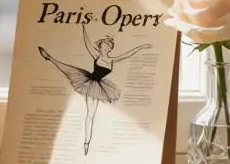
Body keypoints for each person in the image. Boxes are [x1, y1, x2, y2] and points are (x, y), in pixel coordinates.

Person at [38, 23, 152, 155]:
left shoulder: (112, 59)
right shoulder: (97, 56)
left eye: (108, 45)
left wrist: (142, 46)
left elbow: (128, 54)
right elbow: (87, 43)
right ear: (102, 45)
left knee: (91, 114)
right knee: (89, 113)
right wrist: (84, 27)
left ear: (109, 48)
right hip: (89, 82)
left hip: (99, 86)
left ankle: (87, 143)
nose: (106, 46)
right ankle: (50, 58)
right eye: (105, 44)